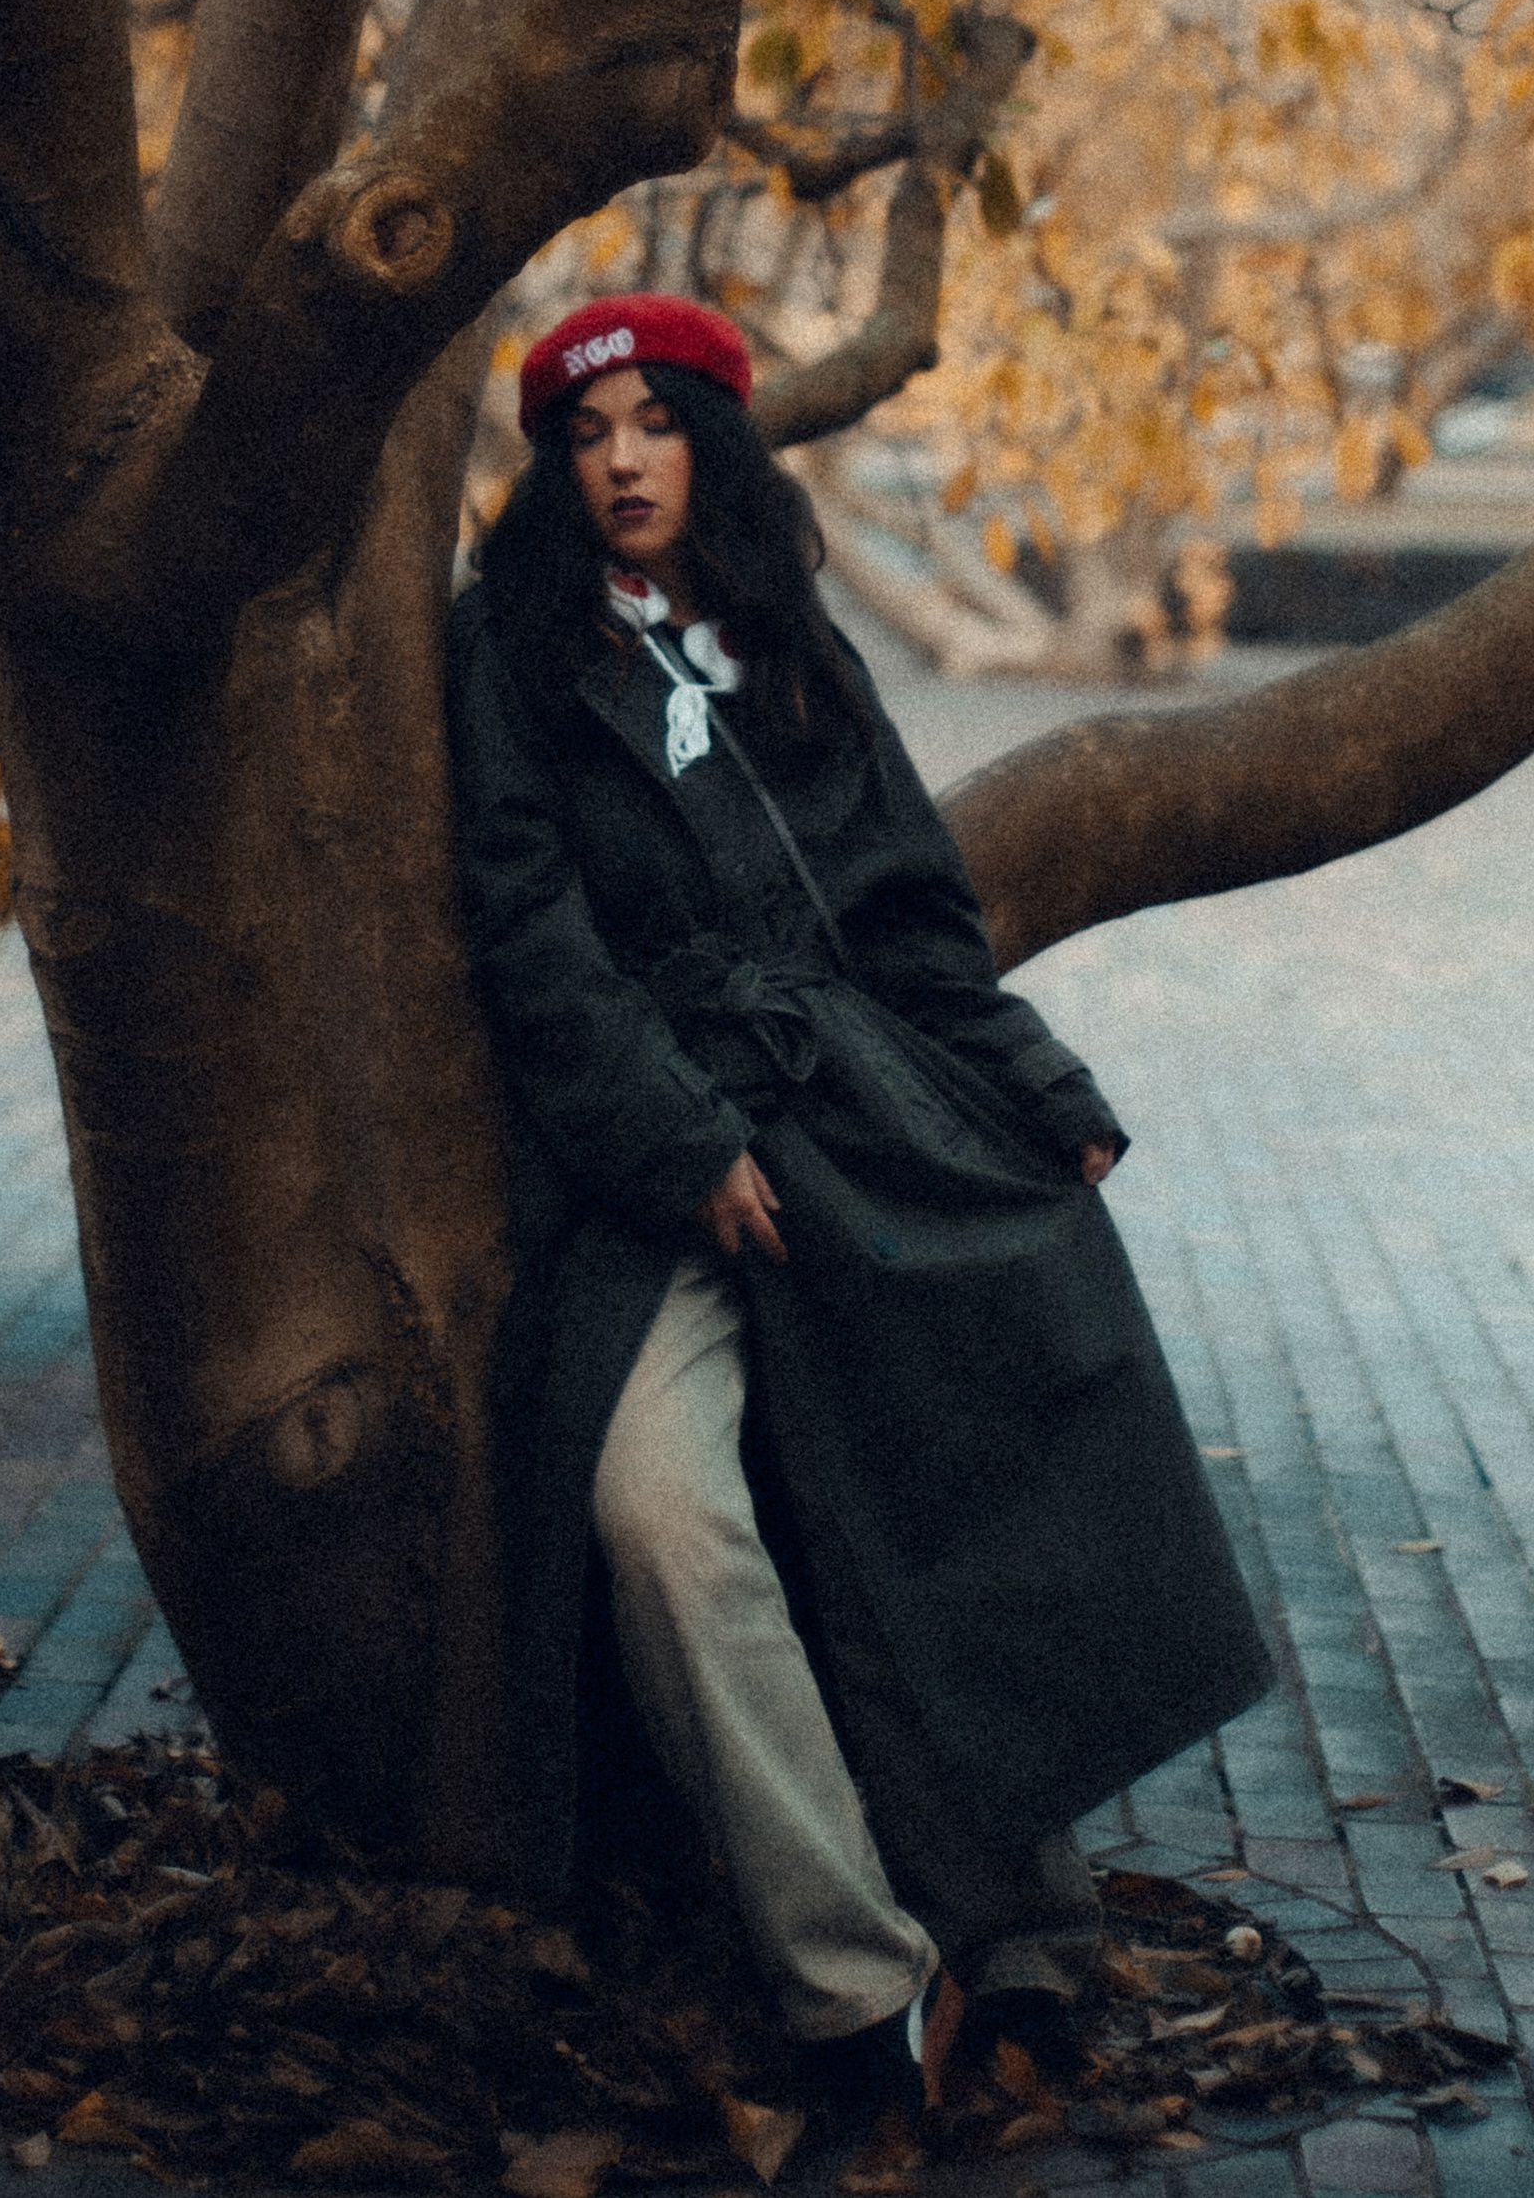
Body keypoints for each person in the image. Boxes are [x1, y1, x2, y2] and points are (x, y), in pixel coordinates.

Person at [446, 294, 1272, 2141]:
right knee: (660, 1514)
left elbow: (913, 915)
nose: (622, 463)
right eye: (586, 438)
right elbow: (531, 938)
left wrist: (1038, 1092)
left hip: (862, 1134)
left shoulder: (794, 649)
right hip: (647, 1184)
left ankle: (1028, 1941)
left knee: (947, 1472)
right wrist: (675, 1143)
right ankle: (852, 1996)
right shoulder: (507, 657)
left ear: (715, 447)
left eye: (655, 426)